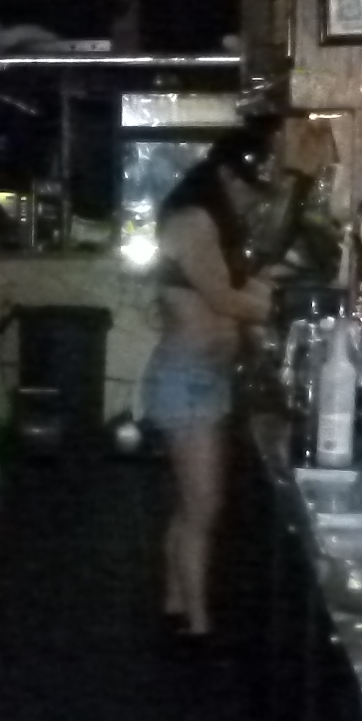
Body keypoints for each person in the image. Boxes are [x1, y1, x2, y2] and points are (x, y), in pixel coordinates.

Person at [144, 125, 278, 642]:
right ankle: (199, 628)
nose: (249, 199)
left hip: (200, 376)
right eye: (246, 188)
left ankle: (174, 604)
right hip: (188, 379)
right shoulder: (194, 220)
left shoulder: (206, 220)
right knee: (203, 508)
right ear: (224, 176)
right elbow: (222, 298)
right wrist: (286, 308)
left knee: (190, 505)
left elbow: (234, 290)